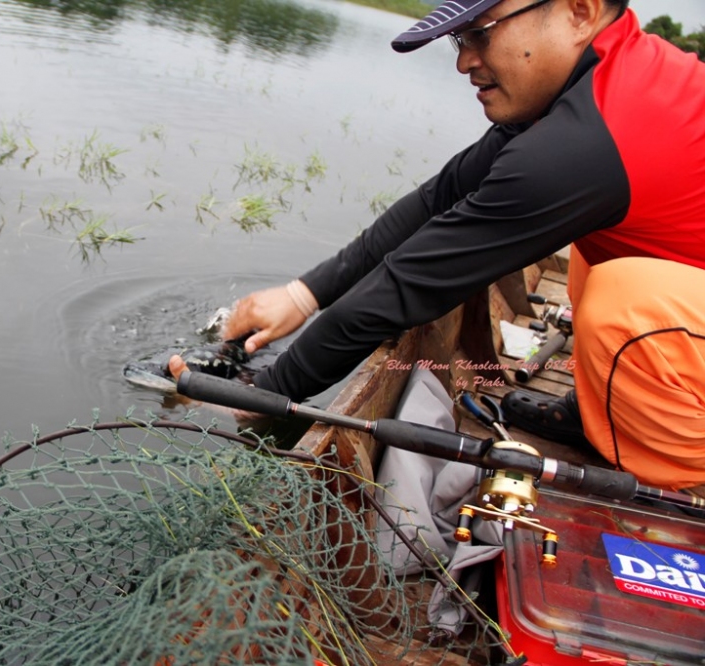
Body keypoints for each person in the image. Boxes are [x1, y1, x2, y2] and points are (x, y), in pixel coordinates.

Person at [170, 0, 705, 491]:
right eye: (458, 40)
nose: (463, 61)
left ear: (579, 12)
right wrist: (302, 295)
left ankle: (673, 484)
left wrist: (254, 396)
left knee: (627, 298)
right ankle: (602, 417)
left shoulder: (587, 145)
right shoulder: (597, 86)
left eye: (479, 34)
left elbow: (407, 286)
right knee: (604, 261)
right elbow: (437, 200)